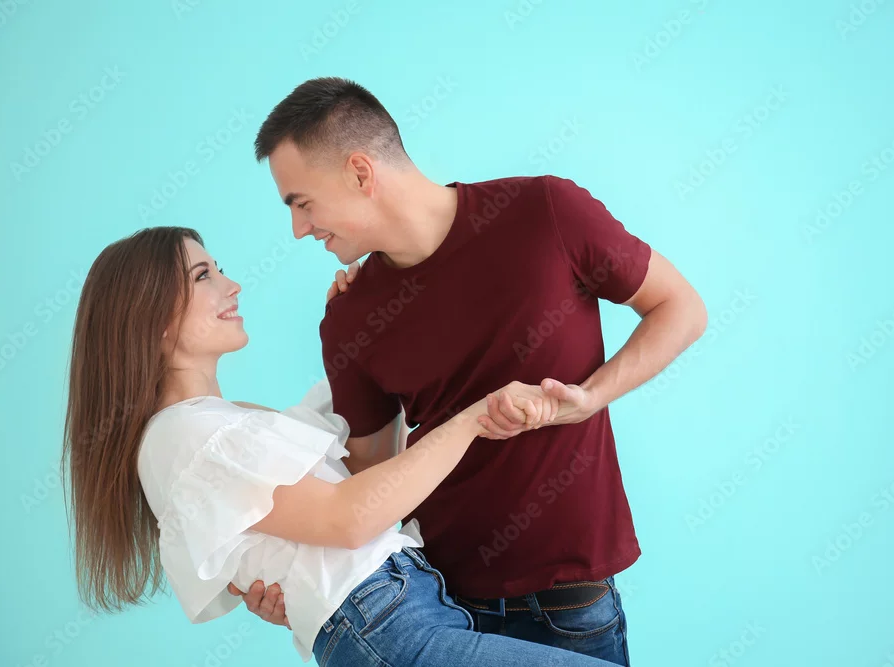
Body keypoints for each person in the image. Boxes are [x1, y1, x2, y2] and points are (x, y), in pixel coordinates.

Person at [232, 77, 709, 665]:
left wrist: (590, 397)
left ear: (359, 172)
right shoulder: (349, 318)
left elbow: (680, 308)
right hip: (440, 610)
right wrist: (300, 582)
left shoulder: (546, 212)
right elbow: (367, 492)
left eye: (301, 203)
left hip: (572, 605)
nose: (298, 229)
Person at [61, 225, 626, 666]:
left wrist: (364, 318)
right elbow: (351, 518)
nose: (232, 286)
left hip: (398, 611)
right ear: (152, 316)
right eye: (203, 275)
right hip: (389, 623)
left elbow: (358, 437)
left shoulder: (220, 423)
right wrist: (477, 417)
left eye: (221, 269)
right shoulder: (185, 436)